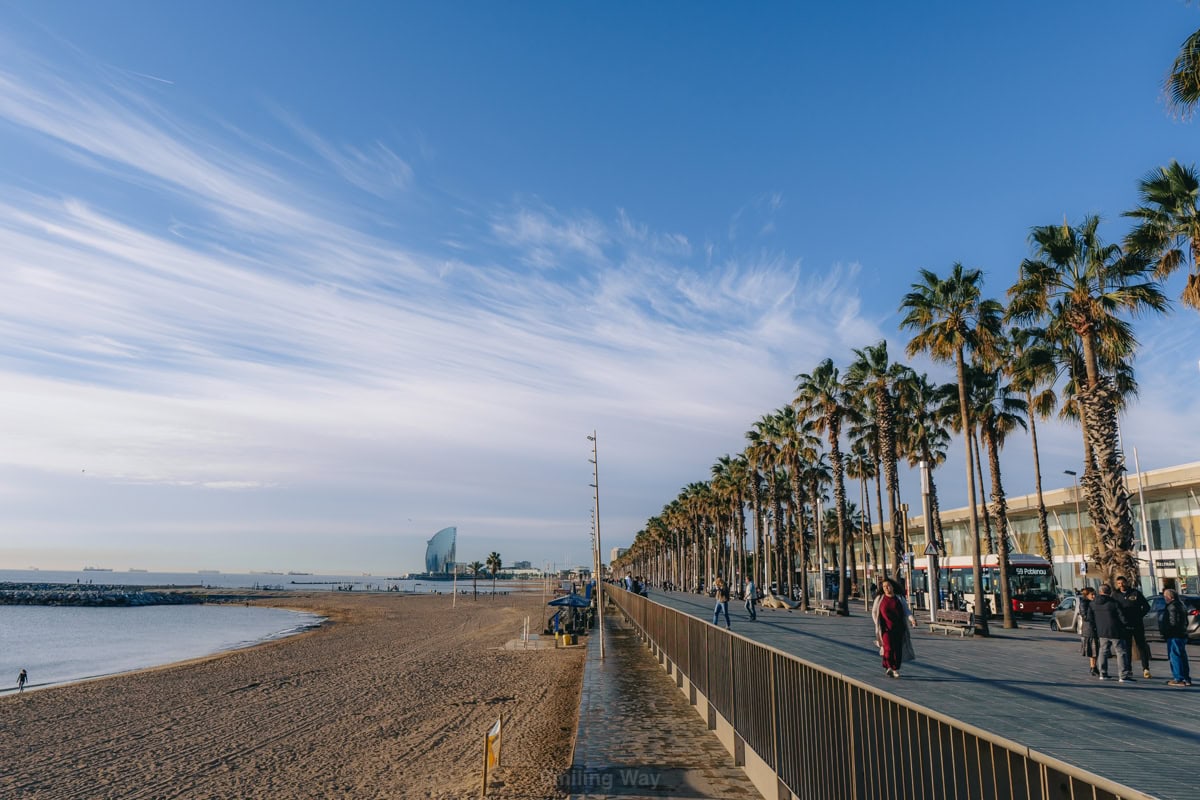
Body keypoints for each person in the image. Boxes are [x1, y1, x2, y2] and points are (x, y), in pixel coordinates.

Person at [871, 579, 917, 678]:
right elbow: (874, 612)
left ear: (893, 586)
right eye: (884, 587)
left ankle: (895, 669)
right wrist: (877, 623)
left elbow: (906, 611)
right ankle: (889, 667)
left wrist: (912, 620)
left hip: (899, 628)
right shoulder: (880, 598)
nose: (886, 588)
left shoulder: (899, 598)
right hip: (885, 629)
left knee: (897, 650)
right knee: (888, 648)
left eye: (888, 586)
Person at [1090, 583, 1132, 682]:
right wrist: (1126, 625)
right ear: (1109, 592)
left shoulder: (1093, 603)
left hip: (1102, 631)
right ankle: (1123, 675)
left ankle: (1103, 673)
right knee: (1120, 652)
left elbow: (1090, 618)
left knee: (1103, 651)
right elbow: (1122, 617)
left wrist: (1095, 628)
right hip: (1116, 631)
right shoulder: (1114, 603)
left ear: (1100, 591)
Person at [1113, 575, 1152, 678]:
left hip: (1137, 624)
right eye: (1119, 583)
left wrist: (1139, 615)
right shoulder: (1115, 595)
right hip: (1124, 625)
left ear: (1127, 582)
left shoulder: (1135, 593)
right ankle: (1128, 669)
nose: (1121, 585)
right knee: (1127, 647)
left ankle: (1146, 668)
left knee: (1141, 646)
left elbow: (1146, 606)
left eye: (1123, 583)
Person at [1159, 588, 1192, 687]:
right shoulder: (1181, 605)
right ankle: (1186, 678)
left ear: (1169, 597)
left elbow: (1173, 622)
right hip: (1181, 634)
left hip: (1174, 635)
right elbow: (1185, 621)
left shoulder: (1172, 607)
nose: (1164, 598)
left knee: (1175, 656)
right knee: (1182, 656)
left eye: (1165, 596)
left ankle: (1178, 679)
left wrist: (1167, 631)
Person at [1078, 587, 1099, 677]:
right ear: (1086, 595)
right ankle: (1093, 667)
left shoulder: (1093, 602)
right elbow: (1085, 617)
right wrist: (1092, 608)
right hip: (1089, 629)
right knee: (1093, 650)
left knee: (1095, 650)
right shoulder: (1084, 603)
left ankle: (1094, 667)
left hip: (1094, 628)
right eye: (1092, 594)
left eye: (1095, 594)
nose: (1094, 596)